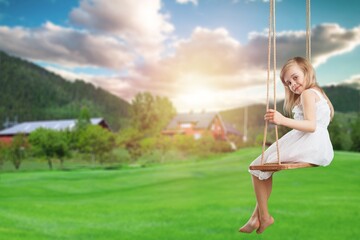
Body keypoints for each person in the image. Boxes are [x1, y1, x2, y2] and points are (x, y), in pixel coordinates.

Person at [239, 56, 334, 234]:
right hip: (316, 142)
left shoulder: (307, 93)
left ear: (307, 71)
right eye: (288, 83)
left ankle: (264, 217)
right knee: (263, 168)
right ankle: (257, 217)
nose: (293, 84)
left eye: (295, 78)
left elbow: (311, 125)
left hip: (308, 141)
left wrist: (282, 120)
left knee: (257, 167)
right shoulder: (316, 92)